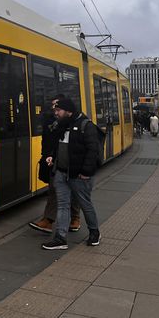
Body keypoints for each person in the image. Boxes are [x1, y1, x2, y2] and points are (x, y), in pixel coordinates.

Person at [41, 98, 101, 250]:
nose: (56, 113)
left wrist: (86, 172)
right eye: (55, 110)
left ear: (68, 111)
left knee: (85, 204)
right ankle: (60, 238)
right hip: (61, 173)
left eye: (58, 110)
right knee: (63, 205)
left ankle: (94, 232)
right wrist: (52, 157)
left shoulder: (85, 126)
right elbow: (59, 146)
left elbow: (93, 150)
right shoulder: (62, 125)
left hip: (79, 175)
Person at [29, 95, 81, 234]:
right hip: (54, 159)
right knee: (54, 190)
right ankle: (49, 221)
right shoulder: (50, 120)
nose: (54, 109)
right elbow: (46, 139)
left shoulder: (73, 122)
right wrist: (46, 155)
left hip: (70, 162)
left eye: (56, 107)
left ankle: (75, 218)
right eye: (53, 106)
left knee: (74, 192)